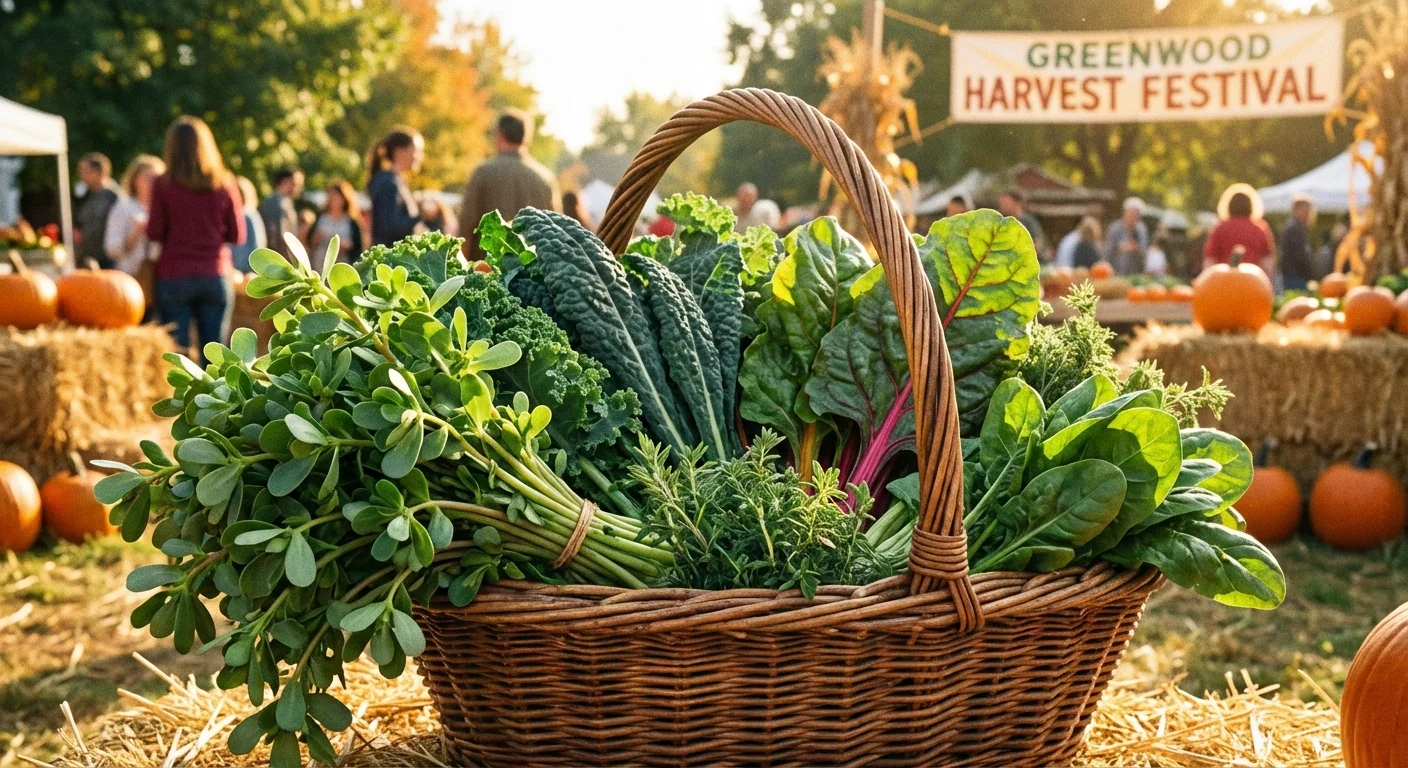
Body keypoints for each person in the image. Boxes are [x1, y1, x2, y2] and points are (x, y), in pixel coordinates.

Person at [146, 116, 244, 364]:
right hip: (214, 273)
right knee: (215, 357)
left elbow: (154, 231)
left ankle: (184, 403)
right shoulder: (224, 183)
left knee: (180, 361)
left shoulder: (163, 184)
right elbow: (237, 235)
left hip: (174, 276)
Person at [458, 111, 559, 258]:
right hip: (532, 273)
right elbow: (555, 231)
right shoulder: (545, 178)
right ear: (527, 137)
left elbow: (466, 225)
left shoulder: (483, 173)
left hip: (487, 270)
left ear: (499, 135)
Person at [103, 154, 165, 279]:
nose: (153, 183)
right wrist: (136, 232)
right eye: (147, 178)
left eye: (157, 178)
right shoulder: (123, 208)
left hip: (164, 276)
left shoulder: (167, 209)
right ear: (135, 180)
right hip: (130, 277)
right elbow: (112, 249)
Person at [367, 127, 425, 247]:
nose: (419, 156)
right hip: (390, 261)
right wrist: (422, 214)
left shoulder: (396, 180)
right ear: (399, 151)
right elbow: (391, 228)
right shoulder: (388, 183)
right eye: (416, 151)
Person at [1203, 186, 1273, 270]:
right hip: (1252, 279)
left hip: (1223, 279)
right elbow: (1267, 261)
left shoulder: (1220, 227)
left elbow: (1210, 259)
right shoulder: (1260, 228)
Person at [75, 153, 122, 269]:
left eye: (86, 171)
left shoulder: (114, 197)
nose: (81, 176)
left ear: (100, 172)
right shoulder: (83, 195)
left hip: (108, 260)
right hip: (87, 258)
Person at [308, 180, 364, 270]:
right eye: (331, 196)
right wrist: (316, 237)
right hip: (320, 262)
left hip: (343, 262)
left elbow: (358, 246)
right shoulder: (321, 217)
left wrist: (346, 245)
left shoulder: (352, 221)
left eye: (337, 197)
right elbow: (310, 240)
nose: (334, 200)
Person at [259, 166, 303, 259]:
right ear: (286, 181)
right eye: (297, 183)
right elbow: (279, 237)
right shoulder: (276, 204)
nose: (299, 187)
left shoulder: (285, 203)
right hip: (278, 259)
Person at [1102, 197, 1150, 275]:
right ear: (1125, 213)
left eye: (1136, 214)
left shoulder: (1141, 230)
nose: (1133, 217)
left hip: (1135, 273)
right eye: (1131, 213)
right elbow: (1107, 251)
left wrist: (1136, 248)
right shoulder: (1115, 228)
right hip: (1116, 271)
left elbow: (1144, 251)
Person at [229, 176, 266, 274]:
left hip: (243, 270)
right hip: (247, 268)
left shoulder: (246, 215)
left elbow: (255, 244)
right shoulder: (253, 214)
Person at [1280, 194, 1316, 291]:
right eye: (1305, 210)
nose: (1308, 213)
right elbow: (1300, 255)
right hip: (1294, 276)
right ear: (1297, 210)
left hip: (1297, 276)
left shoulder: (1298, 228)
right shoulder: (1294, 229)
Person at [998, 188, 1047, 259]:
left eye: (1006, 203)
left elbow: (1038, 243)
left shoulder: (1028, 221)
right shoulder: (1003, 223)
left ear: (1018, 203)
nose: (1002, 205)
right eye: (1001, 203)